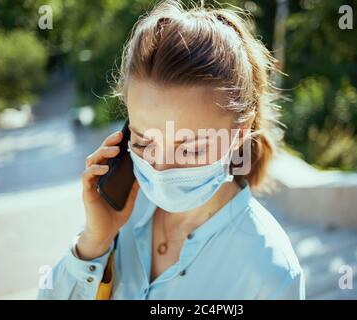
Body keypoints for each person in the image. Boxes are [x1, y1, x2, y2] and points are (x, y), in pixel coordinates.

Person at [38, 0, 304, 300]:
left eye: (190, 150)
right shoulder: (121, 213)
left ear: (237, 137)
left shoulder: (272, 273)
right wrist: (93, 244)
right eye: (143, 142)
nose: (160, 170)